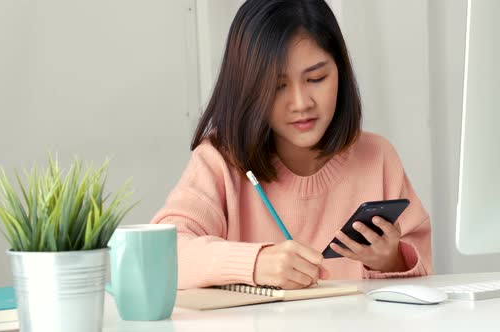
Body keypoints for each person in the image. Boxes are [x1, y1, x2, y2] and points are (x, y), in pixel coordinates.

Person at [151, 0, 432, 290]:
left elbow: (425, 278)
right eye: (277, 86)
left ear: (341, 72)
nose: (301, 103)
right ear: (247, 86)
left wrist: (390, 261)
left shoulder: (378, 157)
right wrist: (256, 264)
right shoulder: (220, 160)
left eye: (316, 78)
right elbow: (160, 255)